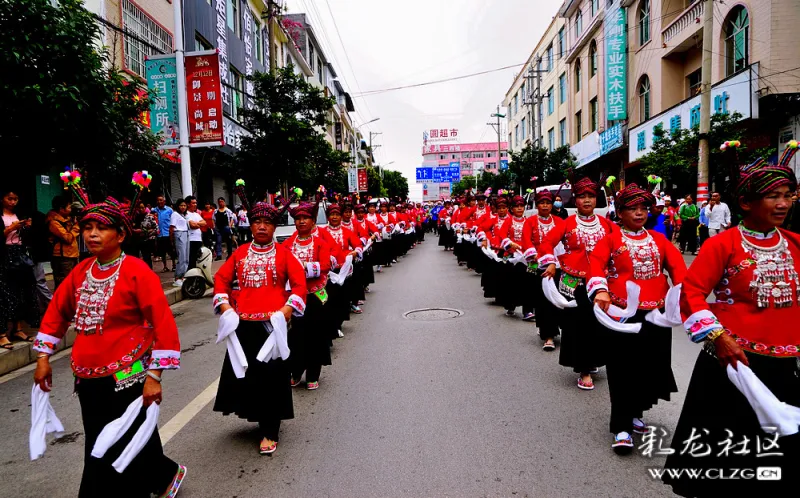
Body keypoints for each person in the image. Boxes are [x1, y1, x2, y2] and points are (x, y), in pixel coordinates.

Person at [662, 143, 800, 496]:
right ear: (746, 203)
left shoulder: (797, 243)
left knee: (776, 458)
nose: (783, 204)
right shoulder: (722, 245)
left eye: (788, 195)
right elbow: (693, 294)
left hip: (787, 366)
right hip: (733, 362)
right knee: (728, 450)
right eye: (772, 196)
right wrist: (717, 337)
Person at [32, 194, 185, 497]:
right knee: (109, 436)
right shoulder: (81, 271)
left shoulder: (138, 272)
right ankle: (165, 474)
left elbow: (163, 324)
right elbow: (57, 313)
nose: (91, 234)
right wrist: (42, 357)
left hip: (130, 371)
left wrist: (155, 377)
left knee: (120, 439)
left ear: (121, 234)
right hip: (87, 376)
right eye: (87, 227)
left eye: (100, 228)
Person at [589, 184, 686, 454]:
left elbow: (678, 268)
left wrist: (687, 299)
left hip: (656, 314)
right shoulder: (609, 239)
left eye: (644, 207)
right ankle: (621, 427)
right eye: (633, 208)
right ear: (619, 212)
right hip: (622, 315)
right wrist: (600, 290)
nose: (640, 213)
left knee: (650, 366)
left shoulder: (659, 239)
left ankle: (635, 412)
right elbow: (596, 265)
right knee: (622, 369)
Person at [213, 199, 306, 456]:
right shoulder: (240, 253)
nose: (262, 226)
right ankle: (258, 417)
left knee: (271, 378)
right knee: (250, 375)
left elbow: (299, 286)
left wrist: (286, 311)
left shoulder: (285, 255)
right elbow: (221, 281)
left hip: (271, 327)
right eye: (257, 222)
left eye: (267, 222)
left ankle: (270, 430)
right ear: (250, 225)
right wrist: (225, 308)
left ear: (275, 227)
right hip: (243, 325)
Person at [539, 177, 616, 390]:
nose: (587, 200)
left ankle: (593, 360)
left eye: (591, 196)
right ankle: (584, 369)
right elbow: (547, 242)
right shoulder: (567, 224)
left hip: (600, 282)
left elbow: (620, 247)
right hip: (575, 281)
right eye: (582, 196)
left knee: (599, 323)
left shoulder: (607, 225)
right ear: (576, 200)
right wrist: (551, 262)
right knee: (580, 326)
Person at [283, 202, 333, 391]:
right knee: (296, 336)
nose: (301, 221)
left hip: (316, 295)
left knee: (315, 336)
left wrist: (304, 267)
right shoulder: (288, 244)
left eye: (305, 218)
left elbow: (326, 265)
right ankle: (295, 371)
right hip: (296, 298)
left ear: (313, 222)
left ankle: (313, 373)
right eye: (298, 218)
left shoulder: (320, 243)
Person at [522, 189, 564, 348]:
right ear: (537, 204)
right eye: (542, 203)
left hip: (558, 265)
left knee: (557, 300)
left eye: (548, 203)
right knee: (542, 300)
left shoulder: (560, 222)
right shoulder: (530, 221)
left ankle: (553, 330)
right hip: (539, 264)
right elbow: (526, 240)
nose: (545, 206)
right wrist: (533, 254)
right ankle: (548, 335)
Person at [0, 189, 40, 348]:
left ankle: (18, 328)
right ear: (2, 199)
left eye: (15, 199)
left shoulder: (18, 215)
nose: (13, 202)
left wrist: (25, 228)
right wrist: (10, 228)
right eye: (10, 198)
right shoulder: (2, 217)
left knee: (21, 293)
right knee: (4, 295)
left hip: (19, 255)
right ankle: (2, 333)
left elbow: (27, 239)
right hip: (4, 257)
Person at [45, 195, 81, 290]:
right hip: (62, 258)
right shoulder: (53, 222)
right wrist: (77, 226)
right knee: (64, 284)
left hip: (72, 255)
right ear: (61, 209)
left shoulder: (67, 219)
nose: (71, 209)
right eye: (69, 207)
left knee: (74, 282)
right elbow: (68, 238)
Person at [131, 201, 158, 269]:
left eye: (142, 207)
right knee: (136, 259)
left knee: (147, 258)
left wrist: (144, 231)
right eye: (139, 208)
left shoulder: (149, 217)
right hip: (136, 241)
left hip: (146, 240)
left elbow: (156, 229)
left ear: (145, 208)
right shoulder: (134, 218)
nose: (141, 209)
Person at [169, 199, 189, 287]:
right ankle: (178, 277)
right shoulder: (175, 214)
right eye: (181, 205)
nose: (183, 207)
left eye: (184, 205)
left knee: (186, 257)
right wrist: (172, 240)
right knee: (181, 257)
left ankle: (183, 275)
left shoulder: (183, 215)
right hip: (179, 234)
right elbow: (172, 228)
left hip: (185, 233)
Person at [153, 195, 175, 273]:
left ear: (164, 201)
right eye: (158, 200)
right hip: (159, 234)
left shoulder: (169, 210)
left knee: (171, 251)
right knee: (162, 252)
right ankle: (165, 266)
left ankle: (174, 265)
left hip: (168, 233)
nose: (159, 202)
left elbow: (173, 220)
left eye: (161, 200)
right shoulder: (154, 210)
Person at [184, 196, 205, 270]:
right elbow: (192, 226)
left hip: (198, 239)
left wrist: (196, 224)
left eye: (196, 203)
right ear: (188, 204)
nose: (195, 204)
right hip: (190, 240)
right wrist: (199, 224)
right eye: (193, 203)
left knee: (199, 259)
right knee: (191, 259)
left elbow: (204, 223)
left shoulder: (196, 214)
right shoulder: (186, 214)